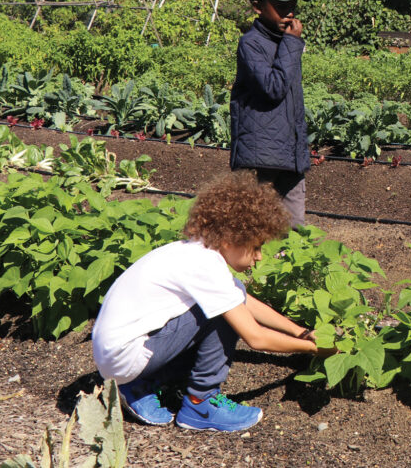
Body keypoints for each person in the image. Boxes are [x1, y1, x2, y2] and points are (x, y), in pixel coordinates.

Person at [92, 177, 329, 431]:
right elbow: (256, 338)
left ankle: (142, 385)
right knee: (222, 313)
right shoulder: (206, 265)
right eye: (256, 246)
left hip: (114, 355)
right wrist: (313, 348)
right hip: (127, 358)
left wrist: (300, 331)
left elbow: (244, 300)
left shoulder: (195, 251)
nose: (259, 256)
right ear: (230, 239)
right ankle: (200, 403)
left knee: (232, 295)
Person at [230, 0, 313, 226]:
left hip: (290, 154)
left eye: (292, 5)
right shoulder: (251, 44)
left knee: (295, 229)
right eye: (280, 6)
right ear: (258, 7)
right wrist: (291, 44)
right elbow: (273, 88)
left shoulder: (286, 41)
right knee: (256, 228)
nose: (289, 12)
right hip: (261, 156)